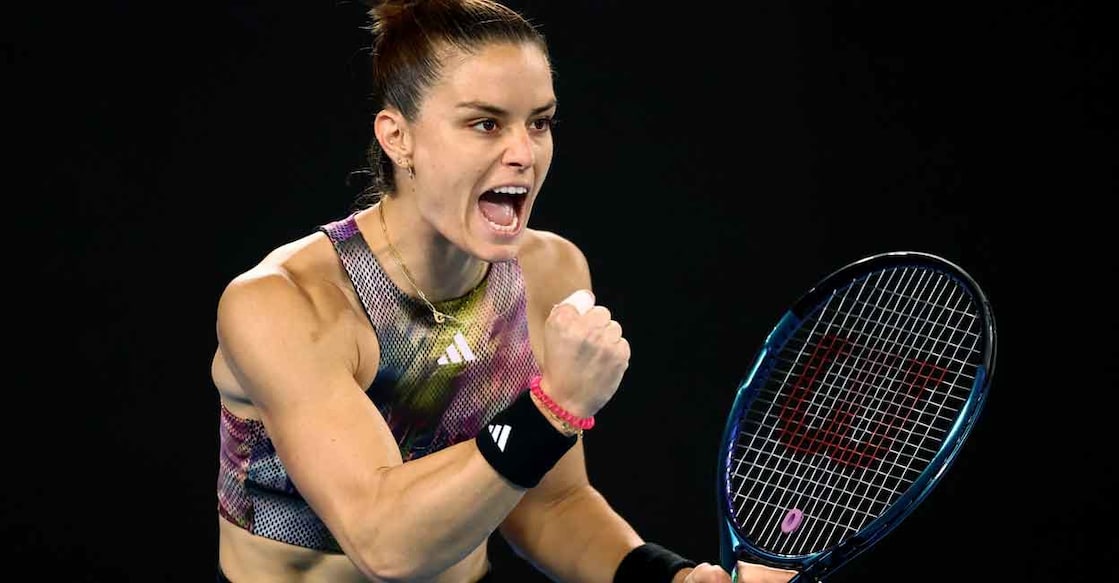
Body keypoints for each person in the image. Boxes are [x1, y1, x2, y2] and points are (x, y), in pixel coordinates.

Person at [211, 1, 800, 581]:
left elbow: (550, 506)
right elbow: (383, 542)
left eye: (539, 122)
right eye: (485, 123)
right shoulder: (285, 303)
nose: (524, 153)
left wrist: (666, 578)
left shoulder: (549, 275)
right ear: (398, 138)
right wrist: (553, 409)